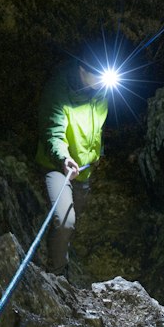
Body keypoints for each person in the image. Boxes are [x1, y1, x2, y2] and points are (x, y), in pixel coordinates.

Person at [36, 55, 109, 275]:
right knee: (65, 221)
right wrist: (63, 158)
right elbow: (53, 131)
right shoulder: (58, 90)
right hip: (58, 166)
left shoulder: (101, 90)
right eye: (96, 76)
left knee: (72, 220)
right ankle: (57, 276)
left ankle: (58, 254)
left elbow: (99, 128)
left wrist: (99, 152)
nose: (100, 82)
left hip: (84, 172)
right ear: (82, 70)